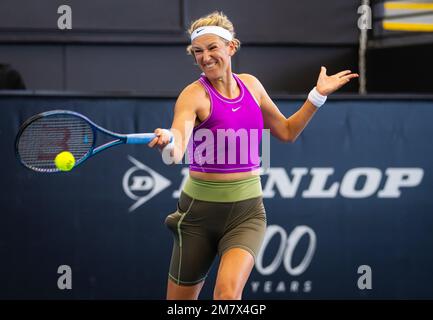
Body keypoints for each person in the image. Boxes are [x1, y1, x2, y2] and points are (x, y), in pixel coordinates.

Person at [147, 11, 358, 300]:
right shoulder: (193, 95)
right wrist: (169, 141)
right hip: (198, 215)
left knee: (227, 297)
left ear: (231, 47)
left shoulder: (252, 86)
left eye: (212, 48)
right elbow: (178, 144)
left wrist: (316, 96)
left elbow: (286, 131)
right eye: (198, 52)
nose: (205, 57)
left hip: (247, 213)